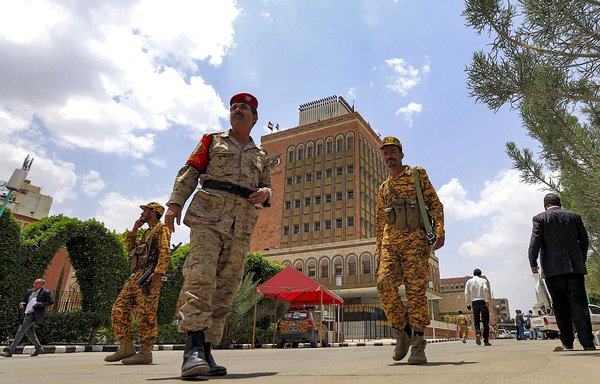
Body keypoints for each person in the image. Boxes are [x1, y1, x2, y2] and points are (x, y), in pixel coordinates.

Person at [165, 92, 272, 377]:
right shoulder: (212, 140)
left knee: (226, 287)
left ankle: (207, 351)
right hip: (208, 217)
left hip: (241, 225)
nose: (238, 110)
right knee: (200, 278)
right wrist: (175, 203)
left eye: (244, 108)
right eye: (234, 107)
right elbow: (190, 171)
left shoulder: (261, 155)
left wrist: (266, 193)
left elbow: (267, 186)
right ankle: (193, 350)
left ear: (254, 117)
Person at [375, 136, 445, 365]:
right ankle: (402, 331)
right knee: (384, 283)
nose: (389, 155)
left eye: (393, 151)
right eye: (386, 152)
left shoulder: (417, 174)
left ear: (401, 154)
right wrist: (379, 251)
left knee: (416, 291)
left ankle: (418, 343)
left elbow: (435, 203)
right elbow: (379, 222)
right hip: (390, 242)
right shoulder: (384, 188)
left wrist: (441, 230)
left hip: (415, 241)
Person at [104, 202, 171, 364]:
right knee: (119, 308)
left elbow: (165, 250)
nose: (142, 212)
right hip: (136, 276)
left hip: (149, 277)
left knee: (146, 314)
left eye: (145, 210)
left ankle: (145, 352)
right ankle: (126, 347)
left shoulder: (162, 228)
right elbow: (131, 249)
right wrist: (134, 229)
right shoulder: (147, 232)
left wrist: (159, 272)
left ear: (153, 212)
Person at [528, 193, 596, 351]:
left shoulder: (540, 219)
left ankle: (567, 341)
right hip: (575, 267)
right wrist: (581, 258)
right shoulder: (574, 216)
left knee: (559, 304)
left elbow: (535, 242)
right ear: (560, 203)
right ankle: (587, 342)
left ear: (545, 205)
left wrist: (533, 262)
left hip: (552, 269)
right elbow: (584, 240)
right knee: (579, 304)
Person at [1, 279, 54, 357]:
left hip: (34, 314)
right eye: (34, 283)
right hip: (27, 313)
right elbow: (25, 301)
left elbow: (50, 302)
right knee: (29, 332)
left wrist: (39, 304)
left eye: (37, 283)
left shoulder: (46, 292)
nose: (35, 284)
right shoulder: (30, 291)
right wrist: (21, 304)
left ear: (42, 285)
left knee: (21, 330)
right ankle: (39, 348)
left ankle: (10, 351)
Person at [464, 269, 492, 346]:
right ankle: (486, 340)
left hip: (474, 302)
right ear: (480, 274)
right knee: (485, 321)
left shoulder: (469, 281)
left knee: (476, 320)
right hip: (482, 301)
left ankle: (478, 332)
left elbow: (466, 293)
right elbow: (485, 289)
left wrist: (467, 304)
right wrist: (487, 300)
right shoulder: (483, 280)